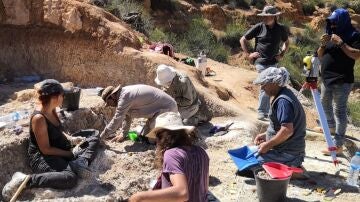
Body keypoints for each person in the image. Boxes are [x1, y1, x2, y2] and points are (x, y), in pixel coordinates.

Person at [2, 79, 100, 201]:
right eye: (62, 95)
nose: (64, 97)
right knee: (70, 178)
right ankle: (27, 180)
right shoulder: (39, 118)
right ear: (55, 97)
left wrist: (72, 139)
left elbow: (59, 131)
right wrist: (69, 153)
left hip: (59, 147)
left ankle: (78, 162)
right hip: (43, 157)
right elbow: (45, 149)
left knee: (93, 134)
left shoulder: (52, 110)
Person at [128, 112, 209, 202]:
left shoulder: (171, 154)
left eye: (158, 136)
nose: (157, 141)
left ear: (165, 137)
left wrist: (139, 197)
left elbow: (182, 193)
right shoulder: (201, 152)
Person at [317, 8, 360, 155]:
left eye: (335, 22)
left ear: (342, 21)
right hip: (326, 78)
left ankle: (338, 145)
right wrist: (323, 44)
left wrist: (341, 43)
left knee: (339, 110)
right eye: (331, 22)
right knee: (324, 103)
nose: (333, 25)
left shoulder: (354, 35)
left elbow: (356, 55)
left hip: (342, 80)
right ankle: (330, 127)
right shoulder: (330, 33)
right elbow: (320, 55)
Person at [240, 5, 289, 121]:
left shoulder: (281, 29)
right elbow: (242, 39)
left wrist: (281, 54)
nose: (265, 18)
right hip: (261, 62)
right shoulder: (259, 27)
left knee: (273, 86)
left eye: (267, 16)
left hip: (273, 63)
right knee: (266, 83)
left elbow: (286, 42)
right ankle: (262, 113)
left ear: (274, 17)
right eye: (264, 16)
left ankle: (269, 112)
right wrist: (248, 55)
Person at [253, 67, 306, 167]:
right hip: (287, 151)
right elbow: (282, 127)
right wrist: (266, 135)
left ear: (274, 82)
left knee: (249, 164)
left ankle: (292, 169)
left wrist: (268, 145)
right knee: (249, 156)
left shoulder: (283, 102)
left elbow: (287, 130)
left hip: (289, 154)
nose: (262, 88)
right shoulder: (284, 94)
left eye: (264, 84)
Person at [99, 84, 178, 142]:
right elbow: (127, 117)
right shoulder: (124, 95)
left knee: (152, 140)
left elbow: (116, 120)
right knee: (144, 136)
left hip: (168, 109)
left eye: (109, 103)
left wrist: (101, 137)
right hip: (158, 111)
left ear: (112, 96)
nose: (110, 106)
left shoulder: (125, 97)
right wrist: (123, 134)